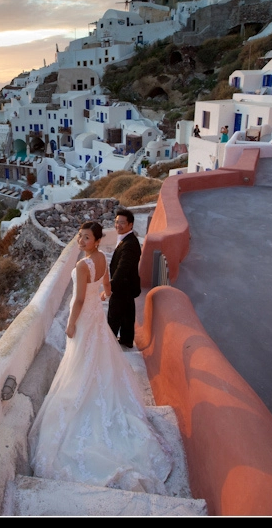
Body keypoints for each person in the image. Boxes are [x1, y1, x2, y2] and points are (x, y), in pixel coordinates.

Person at [28, 221, 173, 494]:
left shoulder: (83, 266)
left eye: (86, 238)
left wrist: (71, 323)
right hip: (97, 317)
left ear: (96, 240)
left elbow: (80, 299)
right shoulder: (102, 259)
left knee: (82, 360)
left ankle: (84, 397)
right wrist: (101, 296)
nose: (80, 241)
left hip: (85, 317)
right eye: (80, 236)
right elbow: (106, 287)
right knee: (99, 360)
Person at [103, 207, 141, 349]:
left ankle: (109, 347)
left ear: (130, 224)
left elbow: (122, 269)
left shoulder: (129, 244)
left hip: (122, 287)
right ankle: (126, 340)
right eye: (116, 222)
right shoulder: (128, 240)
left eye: (122, 223)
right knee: (127, 315)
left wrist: (109, 287)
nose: (118, 225)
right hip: (127, 287)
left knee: (114, 317)